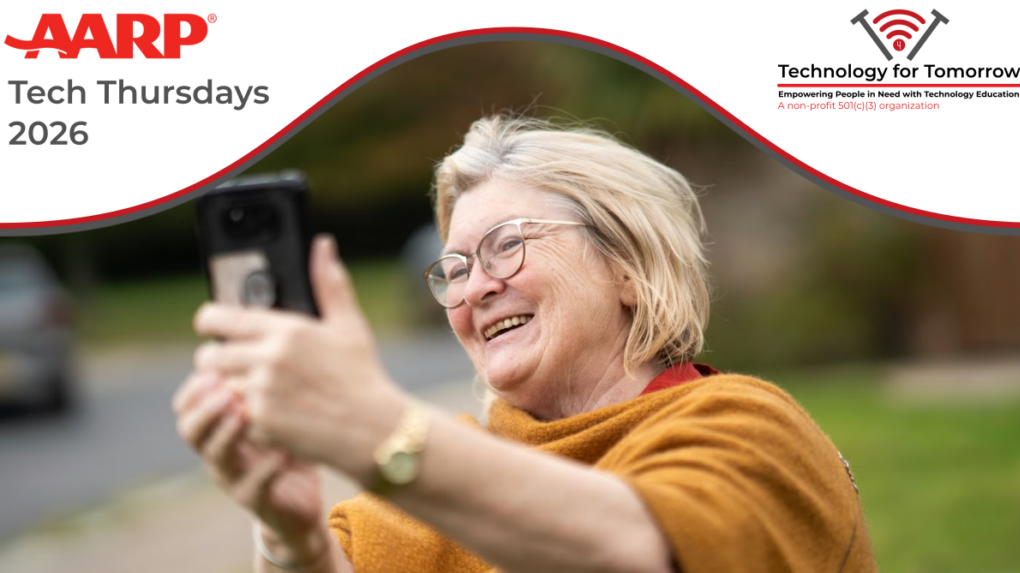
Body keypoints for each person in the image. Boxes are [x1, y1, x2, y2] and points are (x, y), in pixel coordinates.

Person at [173, 115, 876, 573]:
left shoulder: (753, 430)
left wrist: (372, 426)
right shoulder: (418, 506)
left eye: (506, 245)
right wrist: (292, 539)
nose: (475, 288)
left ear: (629, 268)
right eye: (454, 268)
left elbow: (642, 550)